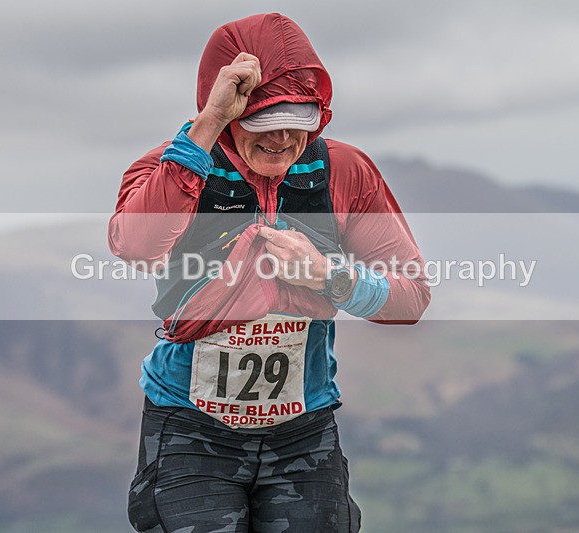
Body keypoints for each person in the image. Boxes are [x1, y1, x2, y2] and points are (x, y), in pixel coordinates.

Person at [109, 13, 430, 532]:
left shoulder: (345, 171)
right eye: (264, 122)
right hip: (190, 428)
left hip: (303, 433)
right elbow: (135, 246)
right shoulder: (172, 167)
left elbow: (411, 297)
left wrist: (330, 276)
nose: (283, 138)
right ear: (229, 111)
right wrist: (206, 125)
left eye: (300, 121)